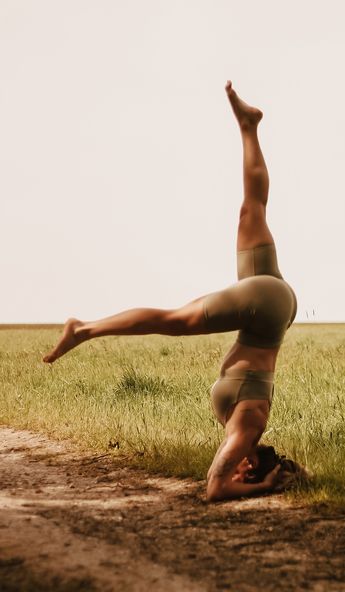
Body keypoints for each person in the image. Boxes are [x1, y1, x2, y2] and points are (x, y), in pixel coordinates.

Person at [43, 81, 299, 501]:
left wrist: (263, 479)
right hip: (265, 309)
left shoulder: (243, 429)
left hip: (267, 313)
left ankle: (249, 128)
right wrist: (269, 484)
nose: (247, 462)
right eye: (254, 464)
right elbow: (215, 489)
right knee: (175, 320)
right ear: (253, 466)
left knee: (251, 209)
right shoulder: (251, 425)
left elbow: (221, 480)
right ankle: (84, 329)